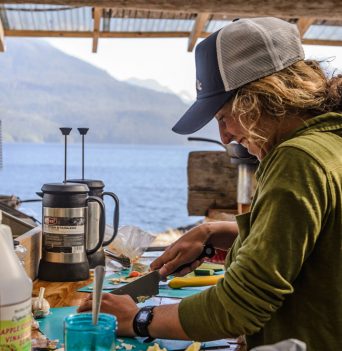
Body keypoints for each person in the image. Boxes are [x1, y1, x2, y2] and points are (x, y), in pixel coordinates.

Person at [78, 17, 342, 350]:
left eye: (222, 117)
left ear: (258, 97)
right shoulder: (331, 144)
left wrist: (138, 319)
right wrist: (214, 232)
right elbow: (317, 246)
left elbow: (240, 307)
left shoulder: (298, 159)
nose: (225, 136)